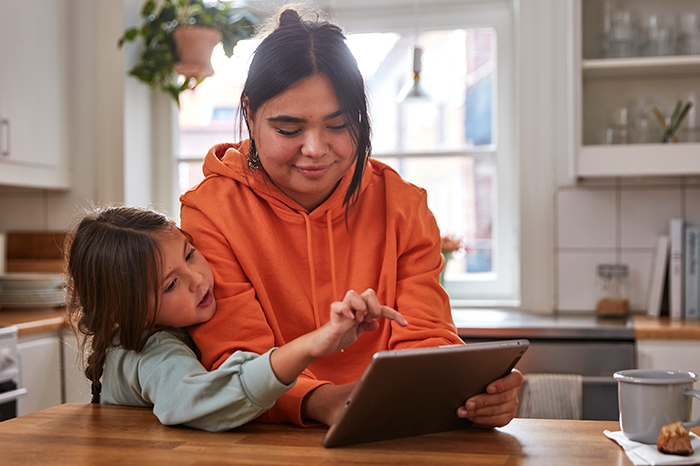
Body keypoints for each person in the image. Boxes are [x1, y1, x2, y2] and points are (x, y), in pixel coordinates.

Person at [180, 7, 523, 428]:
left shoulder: (402, 205)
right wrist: (322, 401)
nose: (315, 149)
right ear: (249, 113)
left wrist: (466, 391)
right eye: (288, 130)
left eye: (338, 125)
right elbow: (234, 359)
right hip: (262, 437)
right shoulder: (211, 211)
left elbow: (426, 336)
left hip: (387, 428)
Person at [64, 205, 407, 432]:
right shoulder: (147, 352)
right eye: (171, 284)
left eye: (190, 254)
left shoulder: (172, 325)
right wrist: (310, 346)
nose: (198, 279)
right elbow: (195, 400)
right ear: (122, 311)